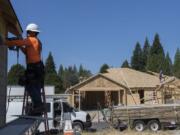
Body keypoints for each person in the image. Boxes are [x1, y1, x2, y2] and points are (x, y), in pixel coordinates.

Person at [5, 23, 45, 115]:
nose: (27, 33)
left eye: (28, 32)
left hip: (34, 67)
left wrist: (5, 42)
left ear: (31, 32)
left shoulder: (31, 40)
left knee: (29, 85)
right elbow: (27, 52)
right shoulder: (36, 41)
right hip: (37, 67)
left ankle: (39, 106)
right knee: (35, 88)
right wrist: (20, 46)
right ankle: (37, 109)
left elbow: (18, 42)